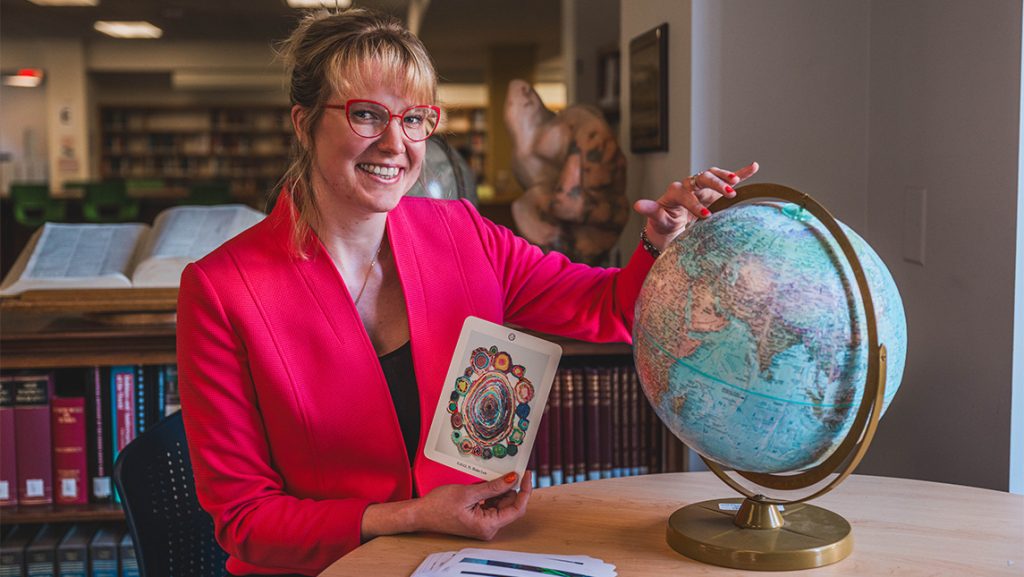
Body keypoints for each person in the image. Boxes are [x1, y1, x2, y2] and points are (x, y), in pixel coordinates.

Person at [176, 8, 758, 576]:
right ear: (303, 123)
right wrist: (407, 517)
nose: (394, 143)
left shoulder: (462, 233)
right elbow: (246, 520)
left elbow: (607, 309)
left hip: (462, 561)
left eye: (414, 119)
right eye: (367, 115)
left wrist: (659, 240)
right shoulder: (222, 289)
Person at [505, 79, 628, 265]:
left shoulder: (590, 138)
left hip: (588, 246)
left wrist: (577, 208)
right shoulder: (525, 160)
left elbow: (615, 210)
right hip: (559, 253)